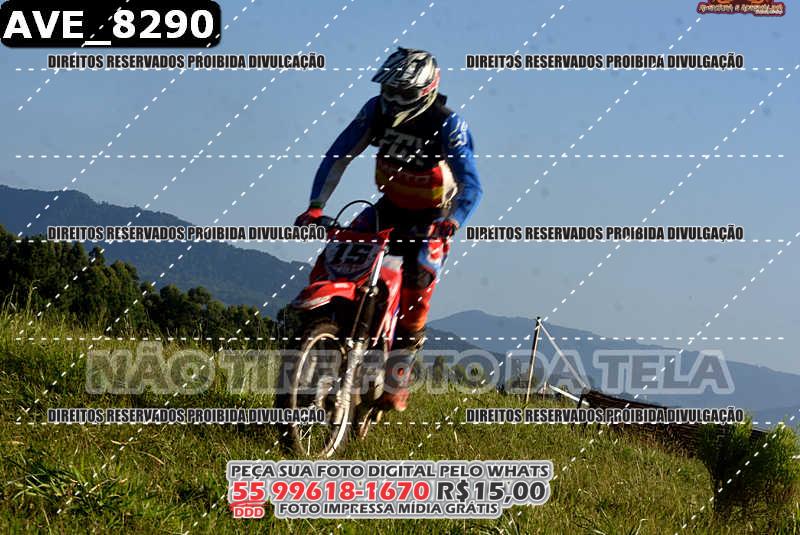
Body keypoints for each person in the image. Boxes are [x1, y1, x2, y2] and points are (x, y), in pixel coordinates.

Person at [294, 47, 482, 411]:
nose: (393, 99)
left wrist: (453, 221)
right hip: (387, 208)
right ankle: (328, 329)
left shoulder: (448, 124)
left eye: (402, 92)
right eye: (388, 89)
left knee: (419, 280)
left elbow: (472, 185)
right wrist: (316, 206)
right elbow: (339, 155)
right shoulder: (375, 110)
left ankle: (398, 374)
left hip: (433, 217)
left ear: (425, 90)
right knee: (337, 252)